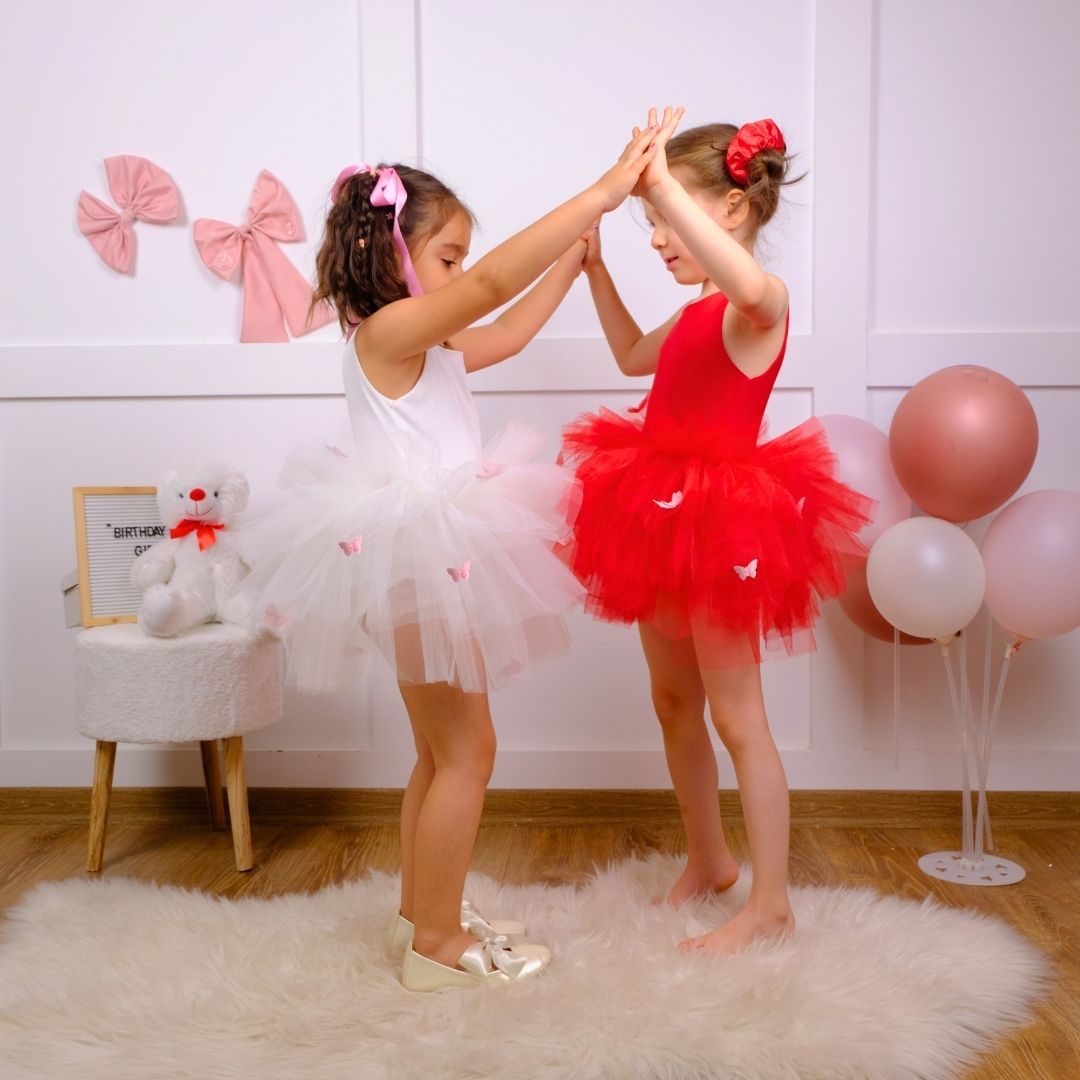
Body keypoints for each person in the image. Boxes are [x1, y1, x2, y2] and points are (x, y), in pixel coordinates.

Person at [231, 122, 662, 989]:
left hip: (426, 560)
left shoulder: (418, 339)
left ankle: (417, 917)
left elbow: (502, 329)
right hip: (421, 559)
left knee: (441, 753)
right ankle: (435, 945)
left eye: (464, 262)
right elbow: (498, 282)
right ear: (393, 253)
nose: (465, 277)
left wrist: (574, 268)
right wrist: (603, 190)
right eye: (450, 258)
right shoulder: (389, 332)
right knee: (470, 753)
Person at [562, 107, 872, 955]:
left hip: (726, 525)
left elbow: (750, 287)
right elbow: (633, 357)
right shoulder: (698, 309)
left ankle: (770, 903)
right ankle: (710, 860)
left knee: (739, 718)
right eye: (651, 223)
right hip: (658, 512)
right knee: (673, 703)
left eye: (666, 219)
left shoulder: (756, 306)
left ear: (728, 211)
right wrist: (595, 273)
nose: (657, 238)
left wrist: (658, 176)